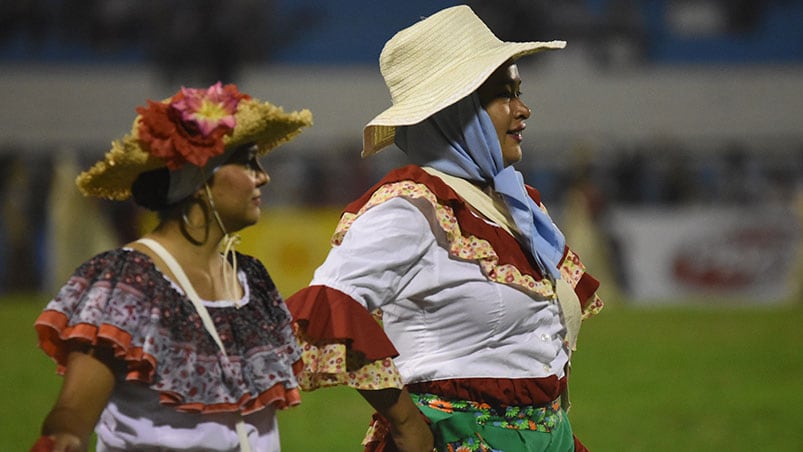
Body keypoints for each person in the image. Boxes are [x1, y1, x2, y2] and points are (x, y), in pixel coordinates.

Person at [286, 5, 604, 452]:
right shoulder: (411, 209)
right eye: (503, 95)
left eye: (519, 90)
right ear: (456, 111)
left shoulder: (516, 203)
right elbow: (333, 301)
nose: (524, 109)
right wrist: (404, 423)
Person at [31, 82, 313, 452]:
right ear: (197, 181)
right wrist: (65, 438)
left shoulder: (252, 279)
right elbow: (72, 412)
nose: (263, 176)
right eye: (247, 162)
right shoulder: (128, 279)